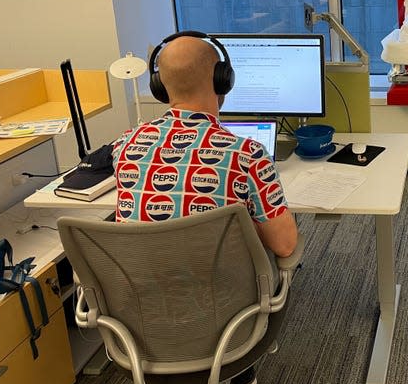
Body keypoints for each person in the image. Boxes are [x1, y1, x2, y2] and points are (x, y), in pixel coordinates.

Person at [111, 32, 298, 259]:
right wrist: (245, 221)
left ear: (159, 86)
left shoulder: (125, 144)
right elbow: (284, 245)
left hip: (138, 288)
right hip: (224, 292)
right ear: (222, 80)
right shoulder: (248, 155)